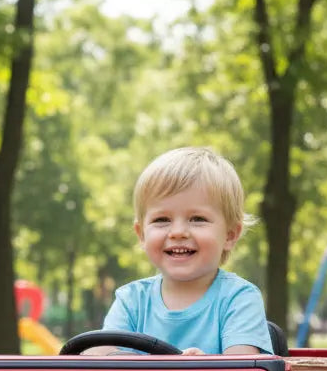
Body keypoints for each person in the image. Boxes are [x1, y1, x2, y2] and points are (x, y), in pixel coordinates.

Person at [88, 146, 271, 355]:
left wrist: (210, 370)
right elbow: (99, 356)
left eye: (197, 219)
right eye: (162, 220)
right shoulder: (131, 300)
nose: (178, 232)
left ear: (229, 235)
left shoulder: (239, 299)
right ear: (141, 234)